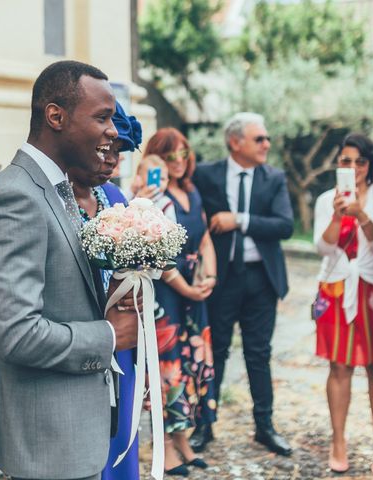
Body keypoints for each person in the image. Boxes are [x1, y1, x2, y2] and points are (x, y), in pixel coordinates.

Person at [0, 60, 139, 480]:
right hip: (48, 441)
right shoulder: (17, 197)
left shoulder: (55, 187)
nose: (114, 131)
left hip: (73, 431)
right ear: (56, 116)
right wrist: (110, 335)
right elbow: (19, 334)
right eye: (101, 117)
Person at [191, 112, 294, 456]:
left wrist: (239, 221)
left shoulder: (274, 178)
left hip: (261, 278)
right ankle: (204, 425)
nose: (267, 144)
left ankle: (264, 426)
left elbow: (284, 226)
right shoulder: (206, 175)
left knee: (259, 354)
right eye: (259, 139)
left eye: (265, 138)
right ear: (235, 142)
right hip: (220, 278)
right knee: (215, 350)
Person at [68, 100, 142, 480]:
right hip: (78, 339)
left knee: (121, 437)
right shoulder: (58, 197)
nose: (113, 158)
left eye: (120, 151)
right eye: (107, 148)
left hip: (122, 341)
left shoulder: (116, 198)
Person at [313, 133, 373, 475]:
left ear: (370, 165)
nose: (353, 167)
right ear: (338, 164)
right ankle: (339, 440)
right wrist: (336, 215)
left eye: (360, 161)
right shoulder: (325, 199)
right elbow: (323, 248)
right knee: (339, 367)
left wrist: (360, 214)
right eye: (346, 161)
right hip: (336, 287)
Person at [144, 127, 218, 476]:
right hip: (168, 294)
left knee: (190, 365)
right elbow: (159, 256)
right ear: (157, 157)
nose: (178, 161)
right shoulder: (156, 198)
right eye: (170, 155)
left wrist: (209, 277)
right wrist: (186, 288)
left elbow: (204, 239)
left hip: (193, 290)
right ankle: (166, 447)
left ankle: (184, 440)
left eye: (183, 154)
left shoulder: (191, 191)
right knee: (168, 368)